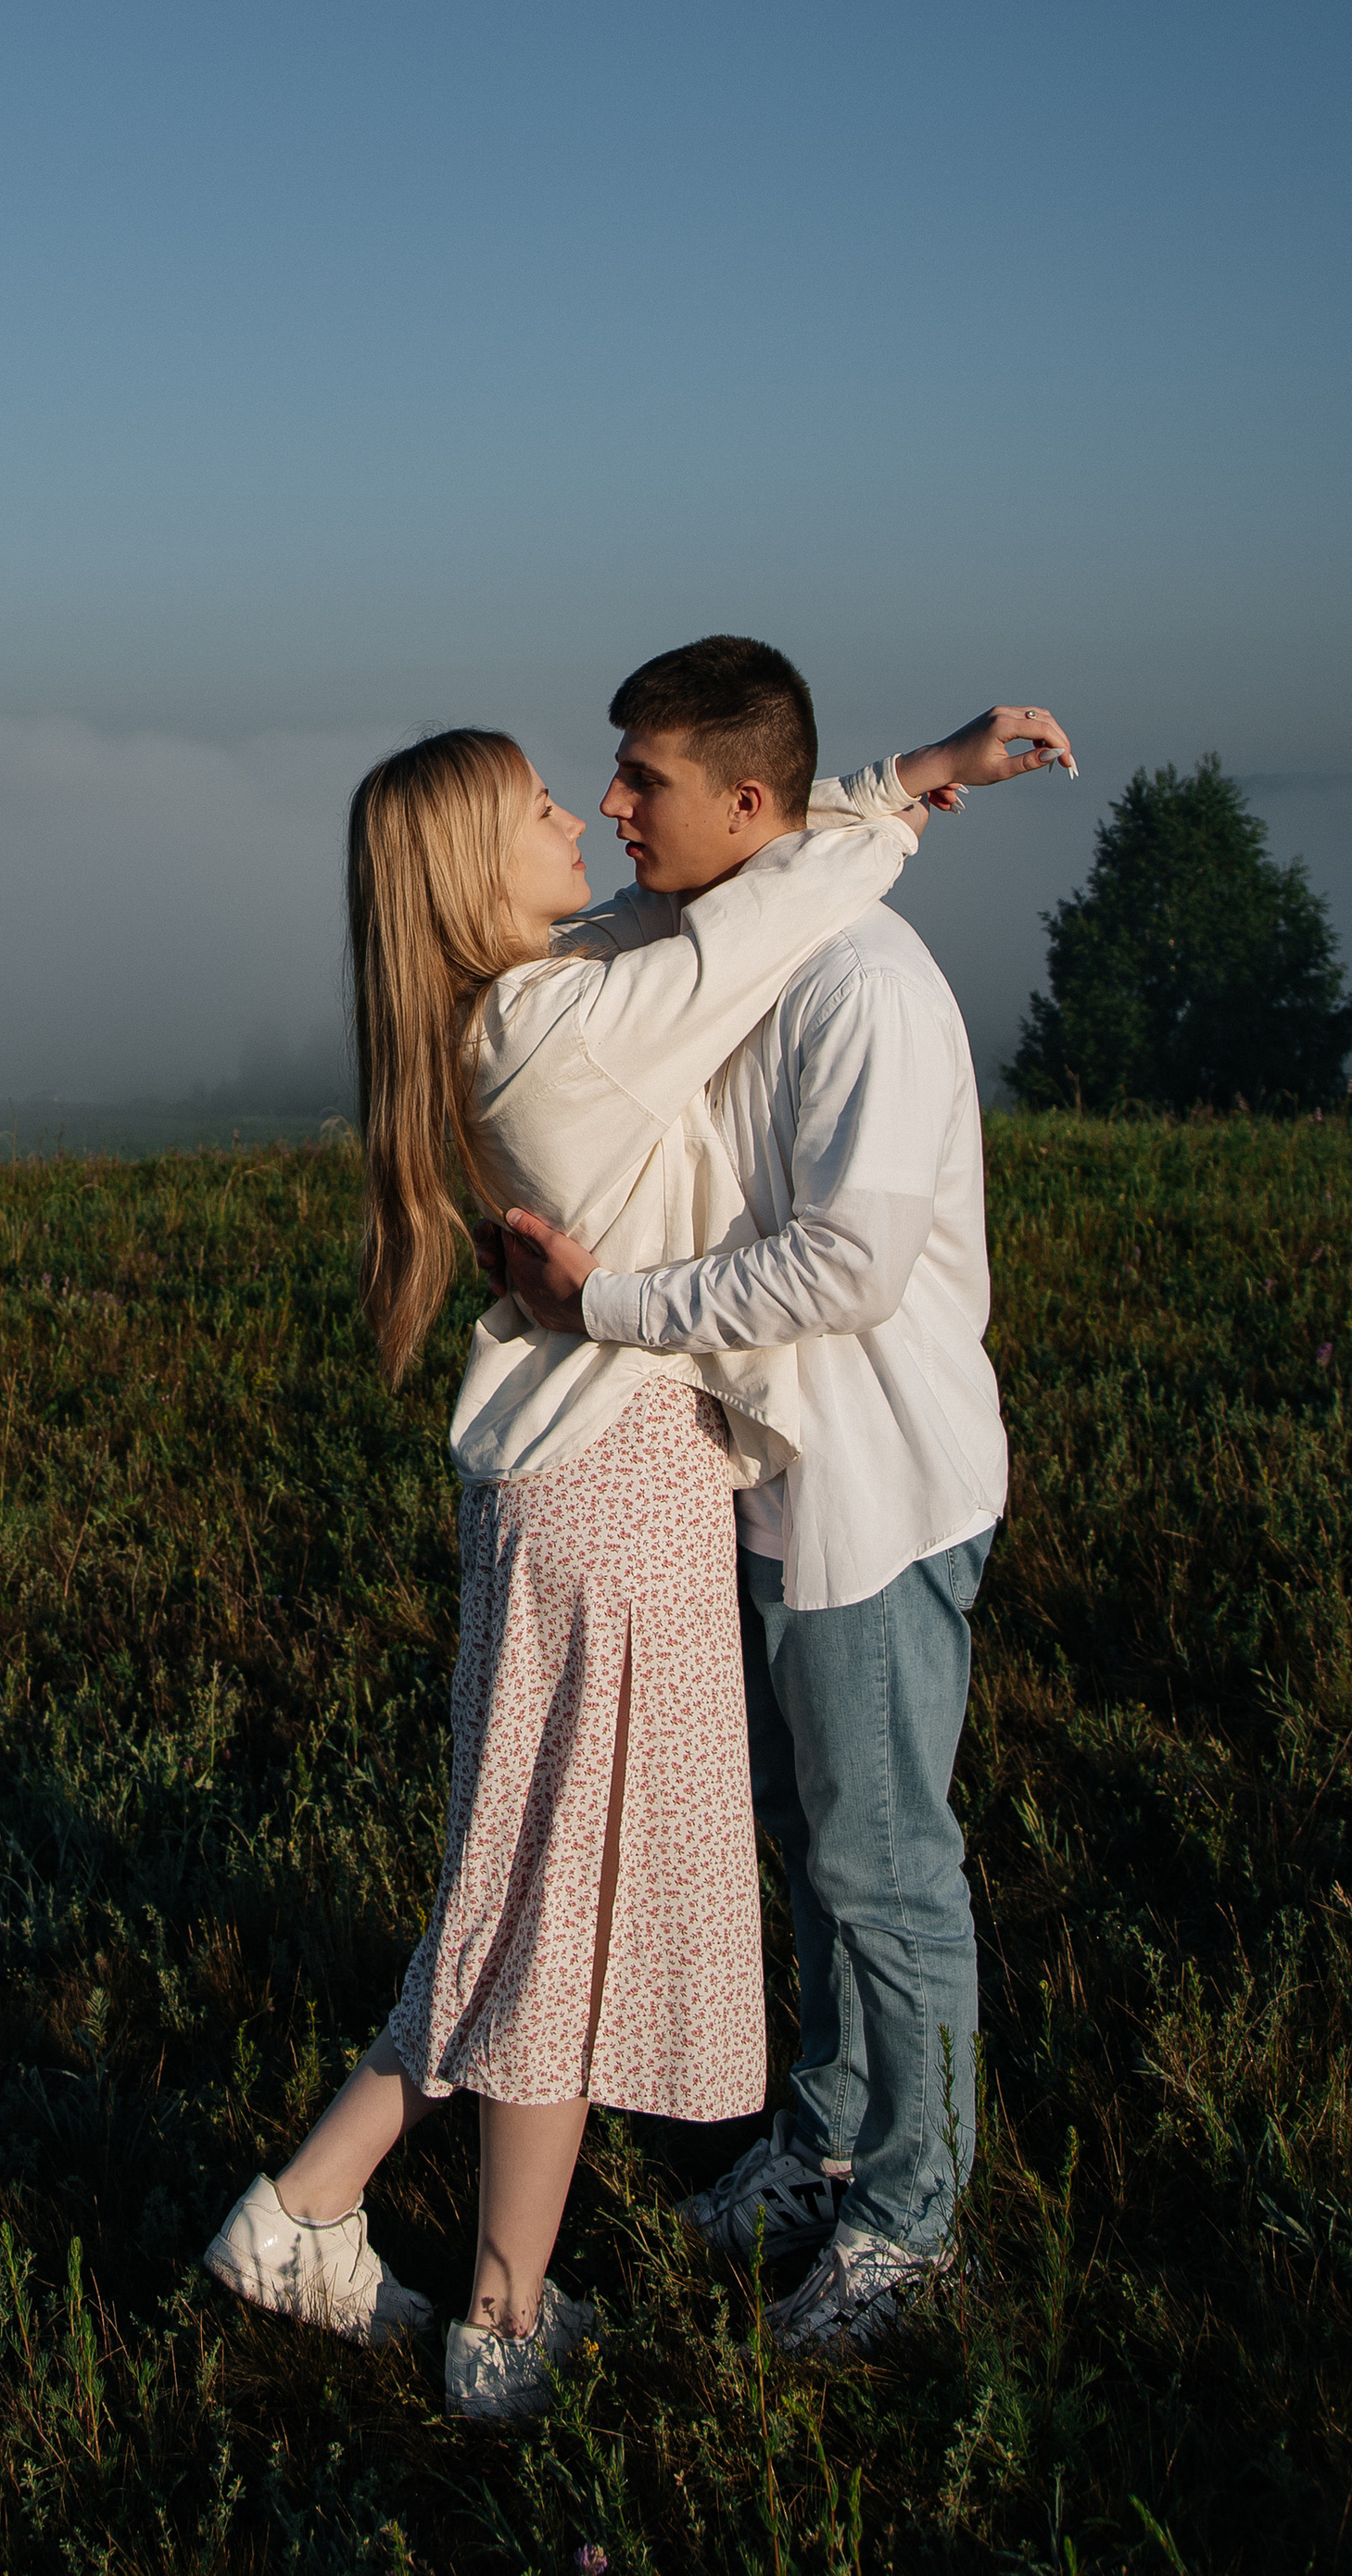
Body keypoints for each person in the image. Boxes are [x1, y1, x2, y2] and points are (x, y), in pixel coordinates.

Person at [203, 695, 1049, 2420]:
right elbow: (754, 915)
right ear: (468, 872)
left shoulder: (547, 990)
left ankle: (315, 2212)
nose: (581, 818)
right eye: (540, 806)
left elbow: (742, 899)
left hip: (601, 1486)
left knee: (531, 1889)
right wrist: (912, 785)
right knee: (564, 1909)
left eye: (605, 786)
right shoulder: (568, 1026)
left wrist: (878, 792)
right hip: (615, 1492)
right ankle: (496, 2317)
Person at [494, 638, 1075, 2364]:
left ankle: (915, 2221)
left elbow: (847, 1264)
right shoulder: (725, 939)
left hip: (870, 1489)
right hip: (773, 1476)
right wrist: (916, 775)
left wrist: (601, 1304)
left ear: (744, 803)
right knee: (818, 1844)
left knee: (887, 1867)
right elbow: (777, 856)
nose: (613, 805)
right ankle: (826, 2143)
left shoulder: (861, 987)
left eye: (645, 778)